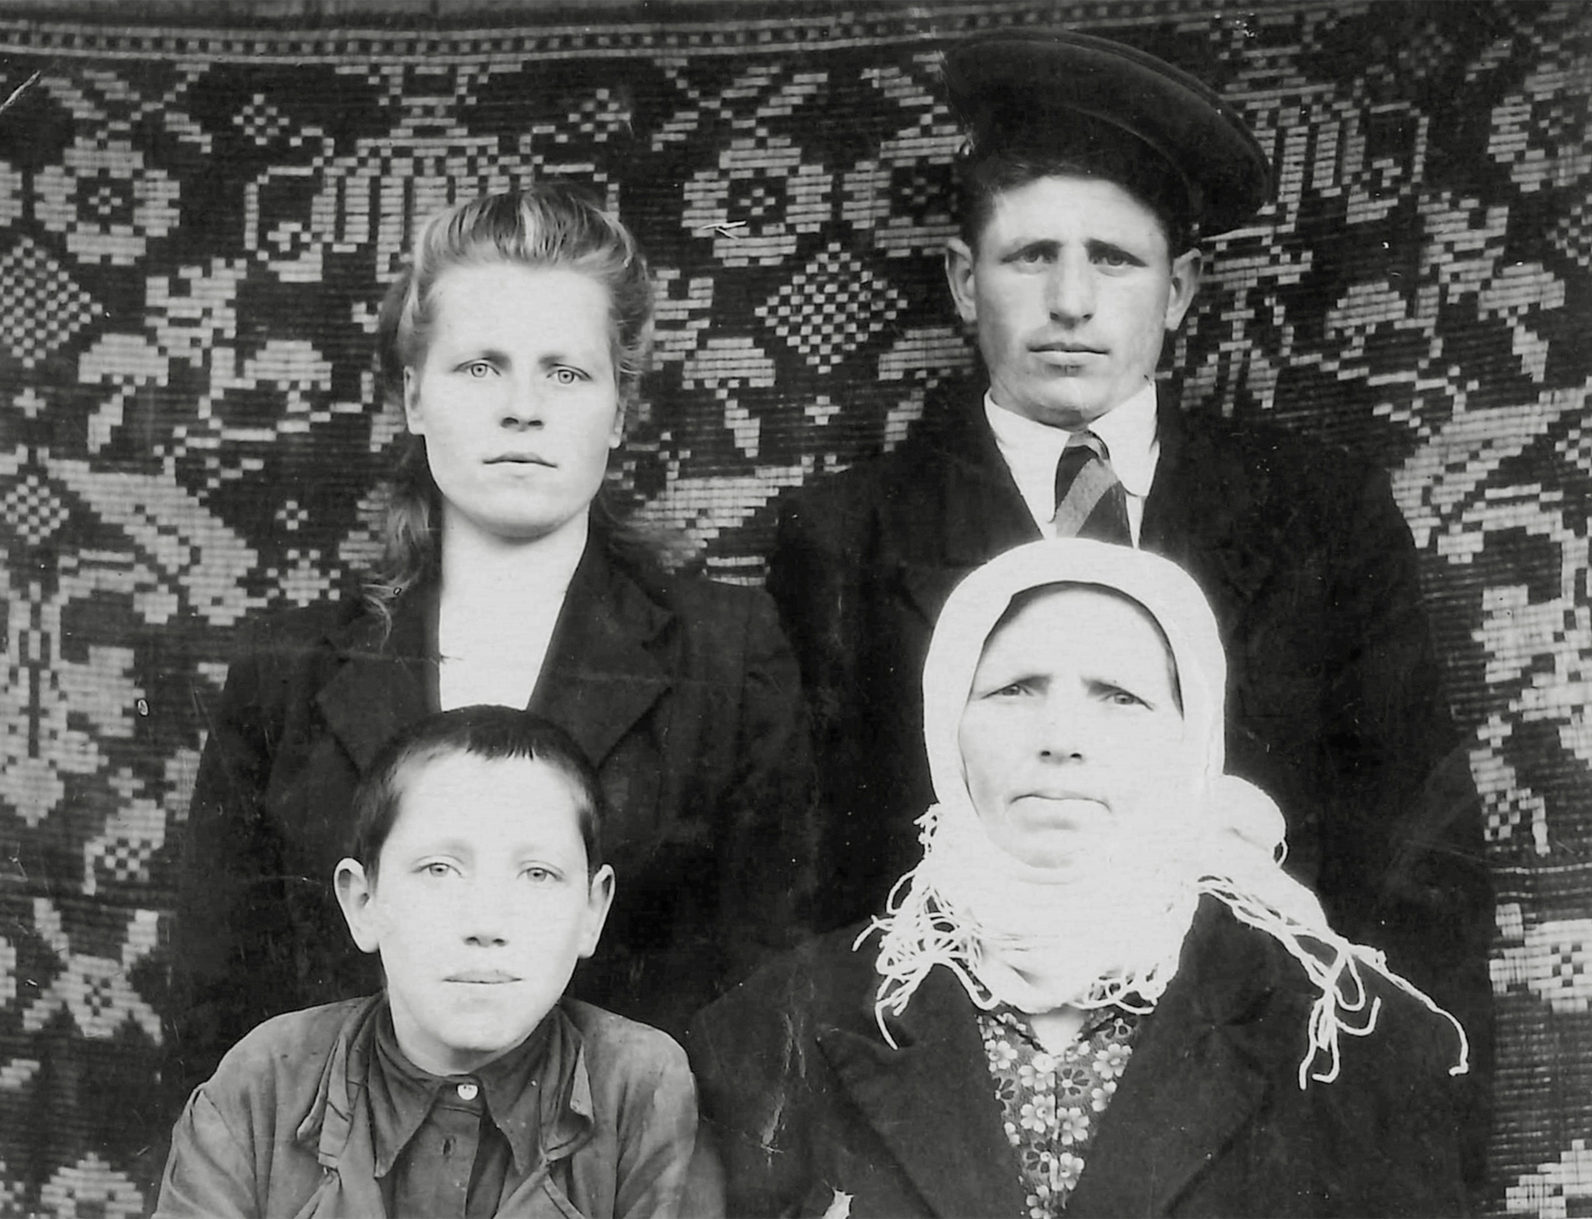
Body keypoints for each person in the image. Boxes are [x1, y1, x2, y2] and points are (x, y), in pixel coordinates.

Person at [765, 28, 1492, 1110]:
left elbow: (1420, 861)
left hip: (1269, 1094)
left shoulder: (1324, 517)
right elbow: (811, 891)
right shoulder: (846, 537)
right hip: (958, 1104)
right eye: (1029, 256)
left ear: (1181, 287)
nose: (1071, 301)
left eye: (1114, 259)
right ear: (964, 280)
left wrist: (1415, 1133)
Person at [167, 184, 814, 1110]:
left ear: (619, 410)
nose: (522, 407)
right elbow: (215, 1024)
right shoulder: (288, 672)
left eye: (566, 372)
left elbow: (768, 1017)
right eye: (479, 367)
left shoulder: (729, 660)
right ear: (414, 396)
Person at [693, 540, 1474, 1218]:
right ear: (947, 726)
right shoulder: (770, 1030)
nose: (1061, 738)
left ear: (1191, 741)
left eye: (1121, 697)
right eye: (1014, 689)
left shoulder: (1349, 1038)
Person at [156, 705, 715, 1218]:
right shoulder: (265, 1082)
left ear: (592, 911)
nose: (486, 924)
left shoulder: (641, 1089)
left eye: (537, 874)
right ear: (363, 901)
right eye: (439, 870)